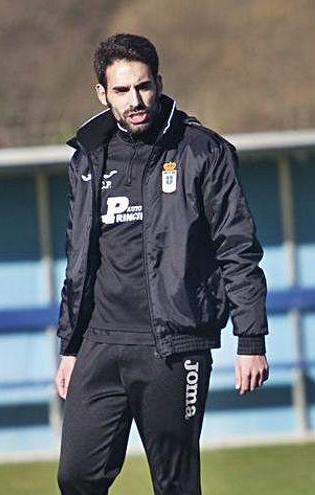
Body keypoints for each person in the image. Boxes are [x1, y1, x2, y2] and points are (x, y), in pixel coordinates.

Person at [53, 33, 270, 495]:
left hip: (174, 345)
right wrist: (70, 346)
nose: (136, 100)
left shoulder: (202, 151)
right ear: (102, 93)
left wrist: (250, 338)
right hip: (100, 343)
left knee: (175, 484)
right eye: (122, 90)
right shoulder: (87, 159)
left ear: (159, 83)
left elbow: (238, 248)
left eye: (144, 87)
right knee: (76, 476)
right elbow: (78, 259)